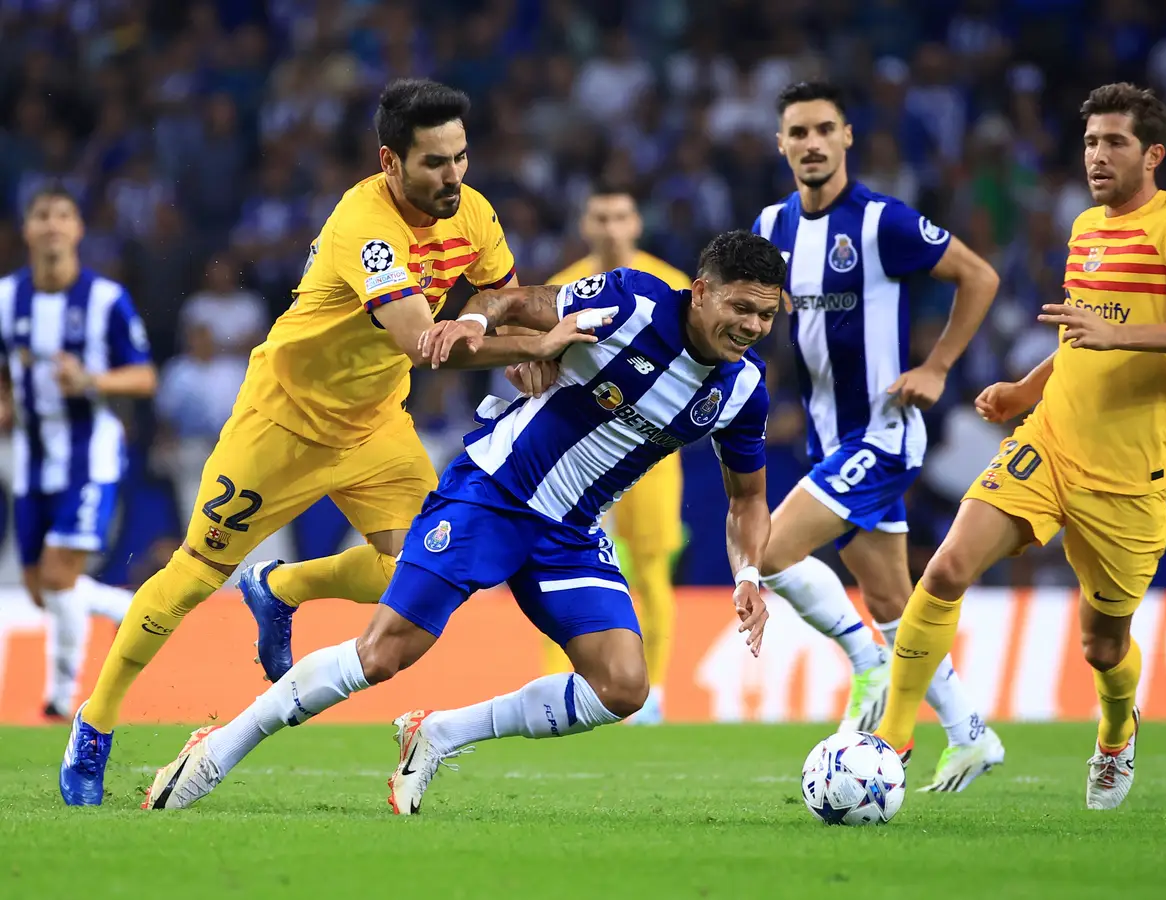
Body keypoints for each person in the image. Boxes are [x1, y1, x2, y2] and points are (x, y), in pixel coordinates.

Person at [59, 79, 583, 806]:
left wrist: (504, 329)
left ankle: (280, 588)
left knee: (415, 569)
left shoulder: (476, 212)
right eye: (434, 163)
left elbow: (499, 294)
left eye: (461, 158)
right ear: (390, 162)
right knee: (191, 577)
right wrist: (538, 342)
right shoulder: (363, 227)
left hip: (373, 424)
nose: (453, 177)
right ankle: (96, 719)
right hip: (283, 424)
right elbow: (421, 342)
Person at [142, 230, 782, 813]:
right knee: (384, 654)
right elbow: (518, 300)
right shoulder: (632, 305)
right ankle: (216, 749)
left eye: (766, 315)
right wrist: (482, 321)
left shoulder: (743, 391)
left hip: (571, 533)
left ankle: (439, 734)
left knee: (621, 687)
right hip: (494, 494)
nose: (752, 326)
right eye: (741, 308)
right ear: (701, 292)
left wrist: (748, 571)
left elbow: (747, 499)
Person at [877, 83, 1166, 810]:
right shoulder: (1086, 227)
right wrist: (1028, 387)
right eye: (1090, 142)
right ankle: (891, 738)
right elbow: (1082, 334)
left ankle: (1116, 731)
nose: (1097, 156)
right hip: (1050, 442)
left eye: (1114, 142)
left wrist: (1124, 335)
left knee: (1102, 647)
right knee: (949, 566)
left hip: (1129, 475)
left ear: (1153, 153)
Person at [752, 81, 1003, 791]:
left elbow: (977, 277)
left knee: (767, 549)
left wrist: (937, 366)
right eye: (797, 132)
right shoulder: (772, 227)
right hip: (828, 441)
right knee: (894, 602)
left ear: (847, 137)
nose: (810, 143)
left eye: (823, 129)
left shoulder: (882, 222)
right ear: (781, 144)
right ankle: (970, 734)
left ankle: (864, 666)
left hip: (884, 435)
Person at [0, 187, 153, 721]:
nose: (52, 226)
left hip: (90, 456)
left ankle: (63, 700)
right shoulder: (5, 298)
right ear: (27, 230)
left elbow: (143, 375)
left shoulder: (106, 300)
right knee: (44, 590)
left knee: (61, 577)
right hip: (31, 462)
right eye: (41, 216)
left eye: (62, 216)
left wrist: (90, 380)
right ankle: (122, 606)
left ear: (78, 229)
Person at [540, 184, 691, 725]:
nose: (610, 227)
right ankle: (563, 686)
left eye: (620, 216)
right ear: (585, 224)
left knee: (651, 570)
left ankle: (653, 694)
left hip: (648, 447)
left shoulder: (672, 284)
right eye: (600, 216)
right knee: (555, 563)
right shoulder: (563, 286)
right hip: (576, 449)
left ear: (636, 224)